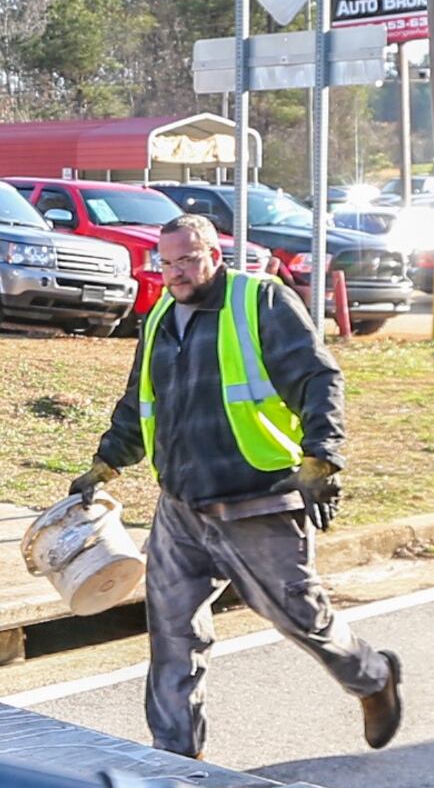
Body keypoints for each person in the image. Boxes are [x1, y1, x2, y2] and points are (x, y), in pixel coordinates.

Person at [71, 212, 403, 759]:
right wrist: (108, 462)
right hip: (181, 505)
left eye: (187, 260)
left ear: (213, 256)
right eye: (167, 262)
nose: (176, 273)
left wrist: (323, 457)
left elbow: (319, 377)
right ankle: (176, 756)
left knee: (302, 618)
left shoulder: (259, 301)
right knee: (173, 634)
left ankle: (373, 677)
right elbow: (139, 401)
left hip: (259, 499)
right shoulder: (159, 319)